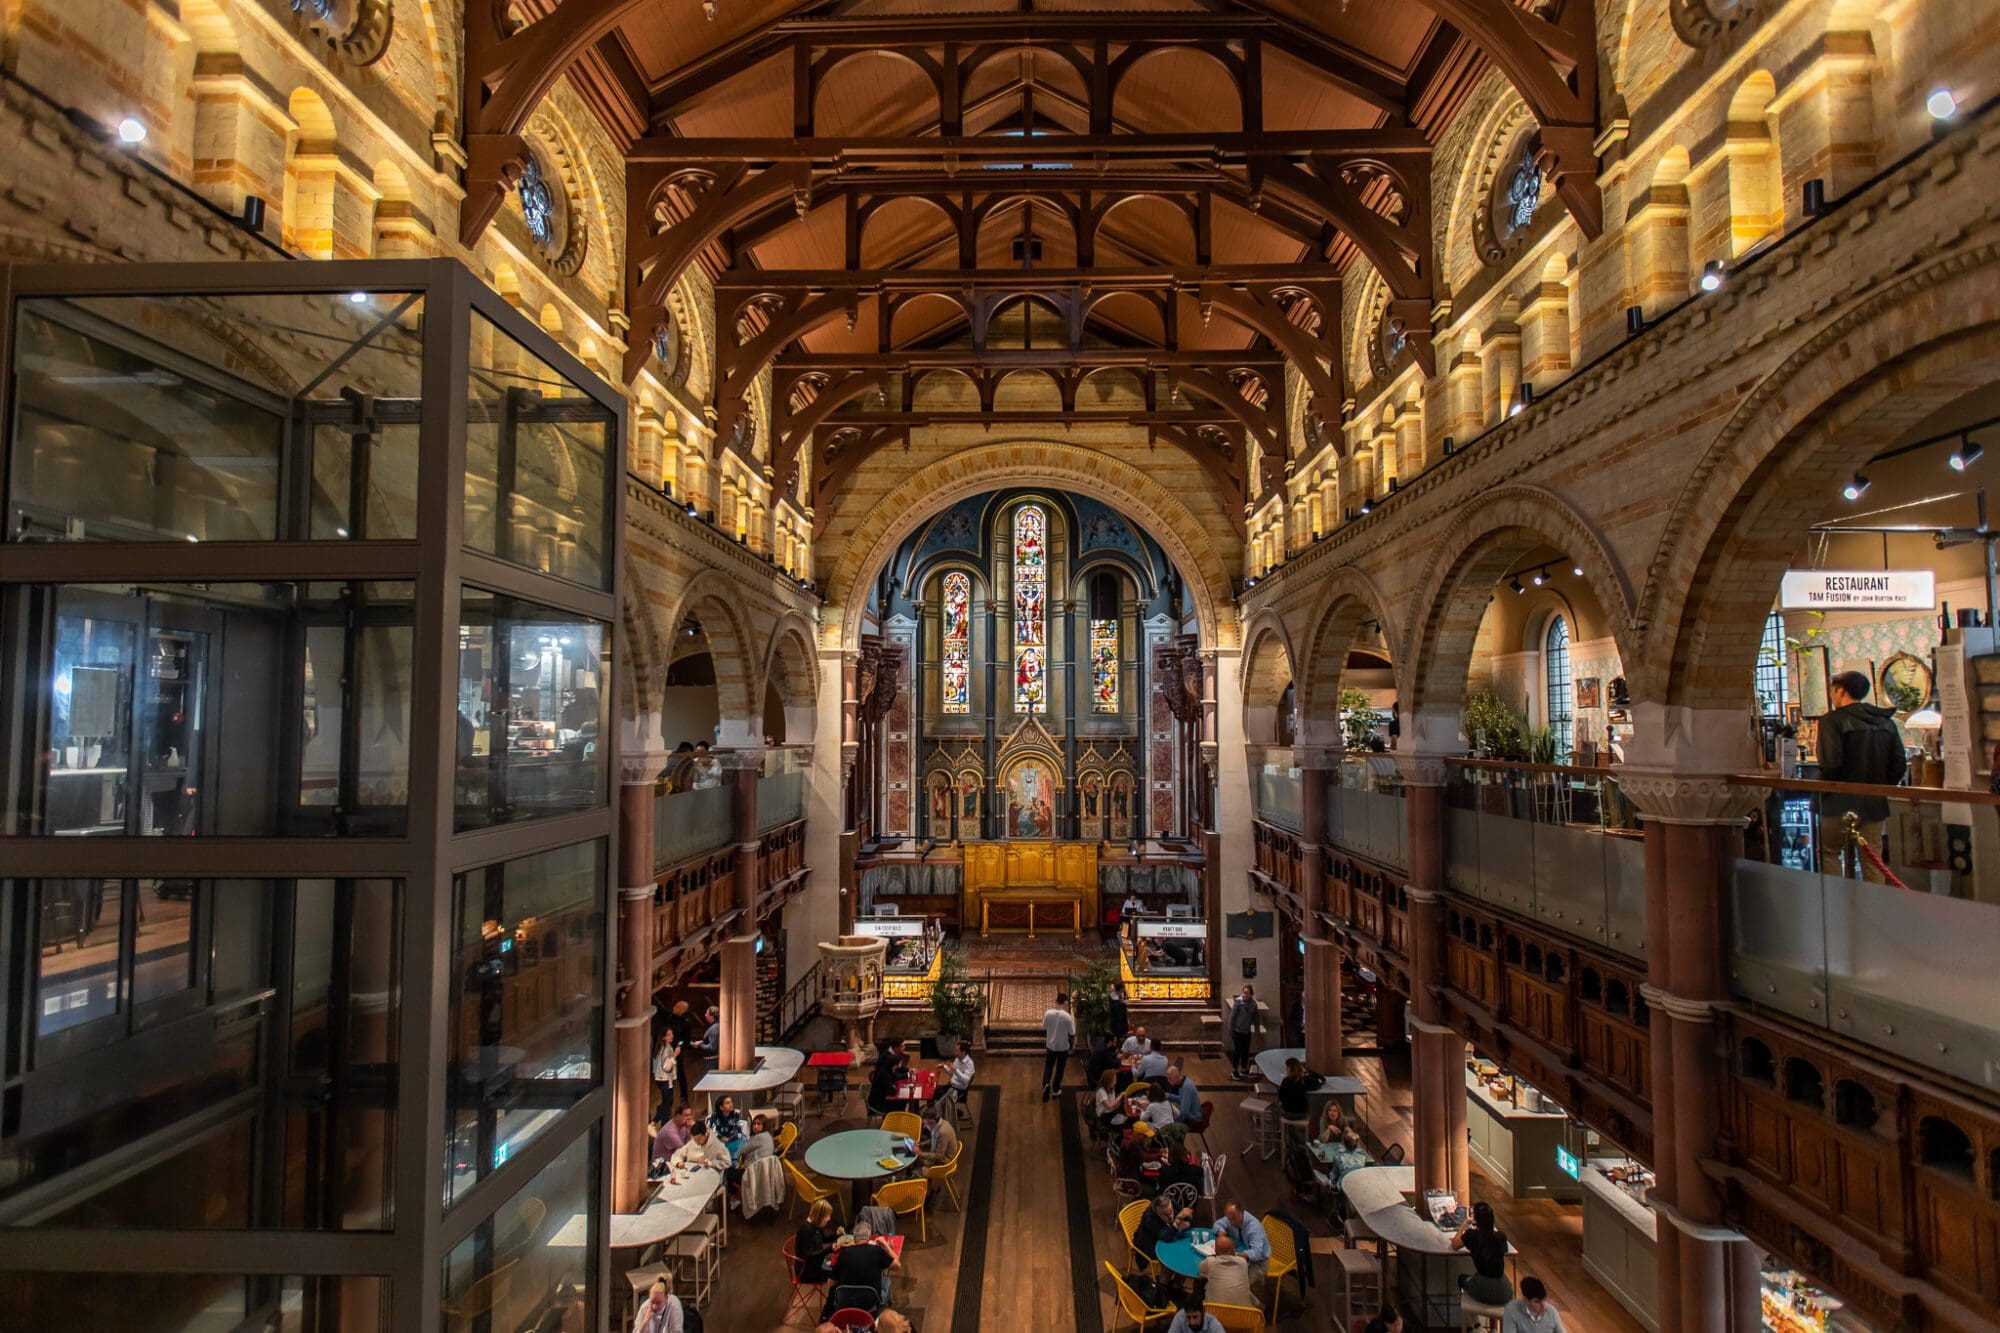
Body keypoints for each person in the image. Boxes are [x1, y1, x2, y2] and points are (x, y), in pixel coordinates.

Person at [1817, 669, 1907, 882]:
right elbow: (1899, 763)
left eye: (1832, 691)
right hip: (1874, 801)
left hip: (1838, 800)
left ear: (1840, 691)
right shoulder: (1885, 721)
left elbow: (1831, 763)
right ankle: (1873, 908)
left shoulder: (1832, 721)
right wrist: (1881, 787)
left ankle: (1834, 902)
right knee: (1872, 859)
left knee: (1828, 852)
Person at [1451, 1200, 1515, 1305]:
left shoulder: (1471, 1235)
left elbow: (1455, 1245)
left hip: (1482, 1286)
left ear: (1475, 1218)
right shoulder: (1501, 1236)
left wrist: (1464, 1224)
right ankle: (1494, 1321)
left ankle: (1473, 1320)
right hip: (1504, 1289)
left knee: (1462, 1279)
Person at [829, 1220, 900, 1310]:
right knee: (887, 1280)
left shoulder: (844, 1253)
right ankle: (883, 1313)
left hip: (846, 1303)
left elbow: (832, 1281)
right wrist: (885, 1244)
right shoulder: (876, 1250)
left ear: (854, 1238)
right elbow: (897, 1265)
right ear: (868, 1236)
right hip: (870, 1303)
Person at [1197, 1231, 1258, 1309]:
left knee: (1207, 1286)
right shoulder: (1243, 1263)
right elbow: (1237, 1256)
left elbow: (1200, 1270)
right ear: (1233, 1249)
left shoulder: (1211, 1262)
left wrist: (1213, 1256)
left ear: (1215, 1251)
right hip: (1243, 1315)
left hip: (1214, 1313)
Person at [1216, 1202, 1270, 1284]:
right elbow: (1219, 1224)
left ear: (1241, 1213)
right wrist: (1222, 1236)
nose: (1231, 1222)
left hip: (1258, 1262)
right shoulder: (1233, 1216)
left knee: (1236, 1285)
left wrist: (1236, 1255)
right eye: (1229, 1218)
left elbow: (1257, 1253)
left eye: (1233, 1218)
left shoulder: (1254, 1228)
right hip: (1242, 1249)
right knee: (1222, 1273)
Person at [1134, 1193, 1193, 1265]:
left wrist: (1187, 1220)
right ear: (1157, 1213)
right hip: (1150, 1247)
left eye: (1171, 1211)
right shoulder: (1149, 1219)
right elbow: (1165, 1236)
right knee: (1178, 1256)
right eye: (1166, 1215)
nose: (1171, 1217)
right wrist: (1177, 1222)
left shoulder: (1170, 1203)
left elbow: (1186, 1215)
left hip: (1167, 1238)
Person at [1277, 1057, 1323, 1148]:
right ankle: (1296, 1141)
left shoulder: (1286, 1081)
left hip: (1288, 1114)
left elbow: (1281, 1098)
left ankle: (1289, 1140)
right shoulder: (1304, 1081)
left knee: (1280, 1107)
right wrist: (1309, 1072)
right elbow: (1321, 1080)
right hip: (1302, 1114)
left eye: (1287, 1068)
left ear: (1290, 1069)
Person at [795, 1197, 842, 1282]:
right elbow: (808, 1255)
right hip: (806, 1272)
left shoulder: (816, 1224)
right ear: (820, 1216)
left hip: (816, 1264)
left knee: (839, 1266)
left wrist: (836, 1235)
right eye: (827, 1216)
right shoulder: (806, 1230)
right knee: (839, 1273)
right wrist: (829, 1249)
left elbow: (824, 1239)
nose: (829, 1218)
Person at [1041, 992, 1076, 1101]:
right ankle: (1056, 1089)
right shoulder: (1067, 1017)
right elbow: (1072, 1032)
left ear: (1056, 1000)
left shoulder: (1048, 1013)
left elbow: (1044, 1027)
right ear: (1065, 1003)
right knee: (1060, 1069)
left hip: (1050, 1045)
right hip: (1063, 1047)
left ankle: (1046, 1084)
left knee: (1048, 1066)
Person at [1227, 985, 1258, 1081]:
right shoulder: (1238, 1002)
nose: (1245, 995)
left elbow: (1256, 1017)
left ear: (1251, 994)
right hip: (1237, 1030)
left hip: (1246, 1030)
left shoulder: (1253, 1004)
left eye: (1247, 993)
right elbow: (1232, 1016)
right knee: (1238, 1050)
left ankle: (1243, 1069)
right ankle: (1235, 1070)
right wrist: (1230, 1029)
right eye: (1244, 992)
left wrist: (1257, 1030)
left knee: (1245, 1050)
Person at [667, 999, 697, 1090]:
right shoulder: (670, 1017)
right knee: (666, 1073)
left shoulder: (686, 1022)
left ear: (682, 1010)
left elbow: (686, 1039)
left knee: (680, 1074)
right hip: (667, 1048)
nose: (674, 1008)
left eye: (677, 1007)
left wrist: (679, 1046)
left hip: (677, 1050)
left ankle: (684, 1097)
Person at [918, 1103, 958, 1168]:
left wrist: (920, 1153)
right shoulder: (942, 1122)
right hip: (942, 1154)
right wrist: (921, 1144)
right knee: (919, 1157)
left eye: (926, 1124)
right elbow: (935, 1139)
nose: (925, 1126)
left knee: (917, 1166)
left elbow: (939, 1156)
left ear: (932, 1122)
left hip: (945, 1161)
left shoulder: (942, 1132)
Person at [651, 1027, 679, 1118]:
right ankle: (655, 1122)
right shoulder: (666, 1049)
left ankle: (660, 1113)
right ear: (663, 1037)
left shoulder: (664, 1047)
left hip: (663, 1078)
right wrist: (675, 1055)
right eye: (668, 1035)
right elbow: (666, 1067)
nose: (671, 1036)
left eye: (672, 1034)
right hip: (664, 1079)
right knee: (667, 1103)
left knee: (668, 1101)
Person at [1094, 1069, 1126, 1133]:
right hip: (1104, 1116)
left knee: (1127, 1122)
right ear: (1109, 1081)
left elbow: (1114, 1105)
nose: (1116, 1080)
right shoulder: (1101, 1091)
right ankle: (1114, 1141)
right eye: (1114, 1079)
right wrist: (1121, 1096)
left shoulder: (1111, 1088)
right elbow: (1110, 1105)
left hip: (1111, 1113)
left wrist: (1122, 1101)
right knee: (1123, 1128)